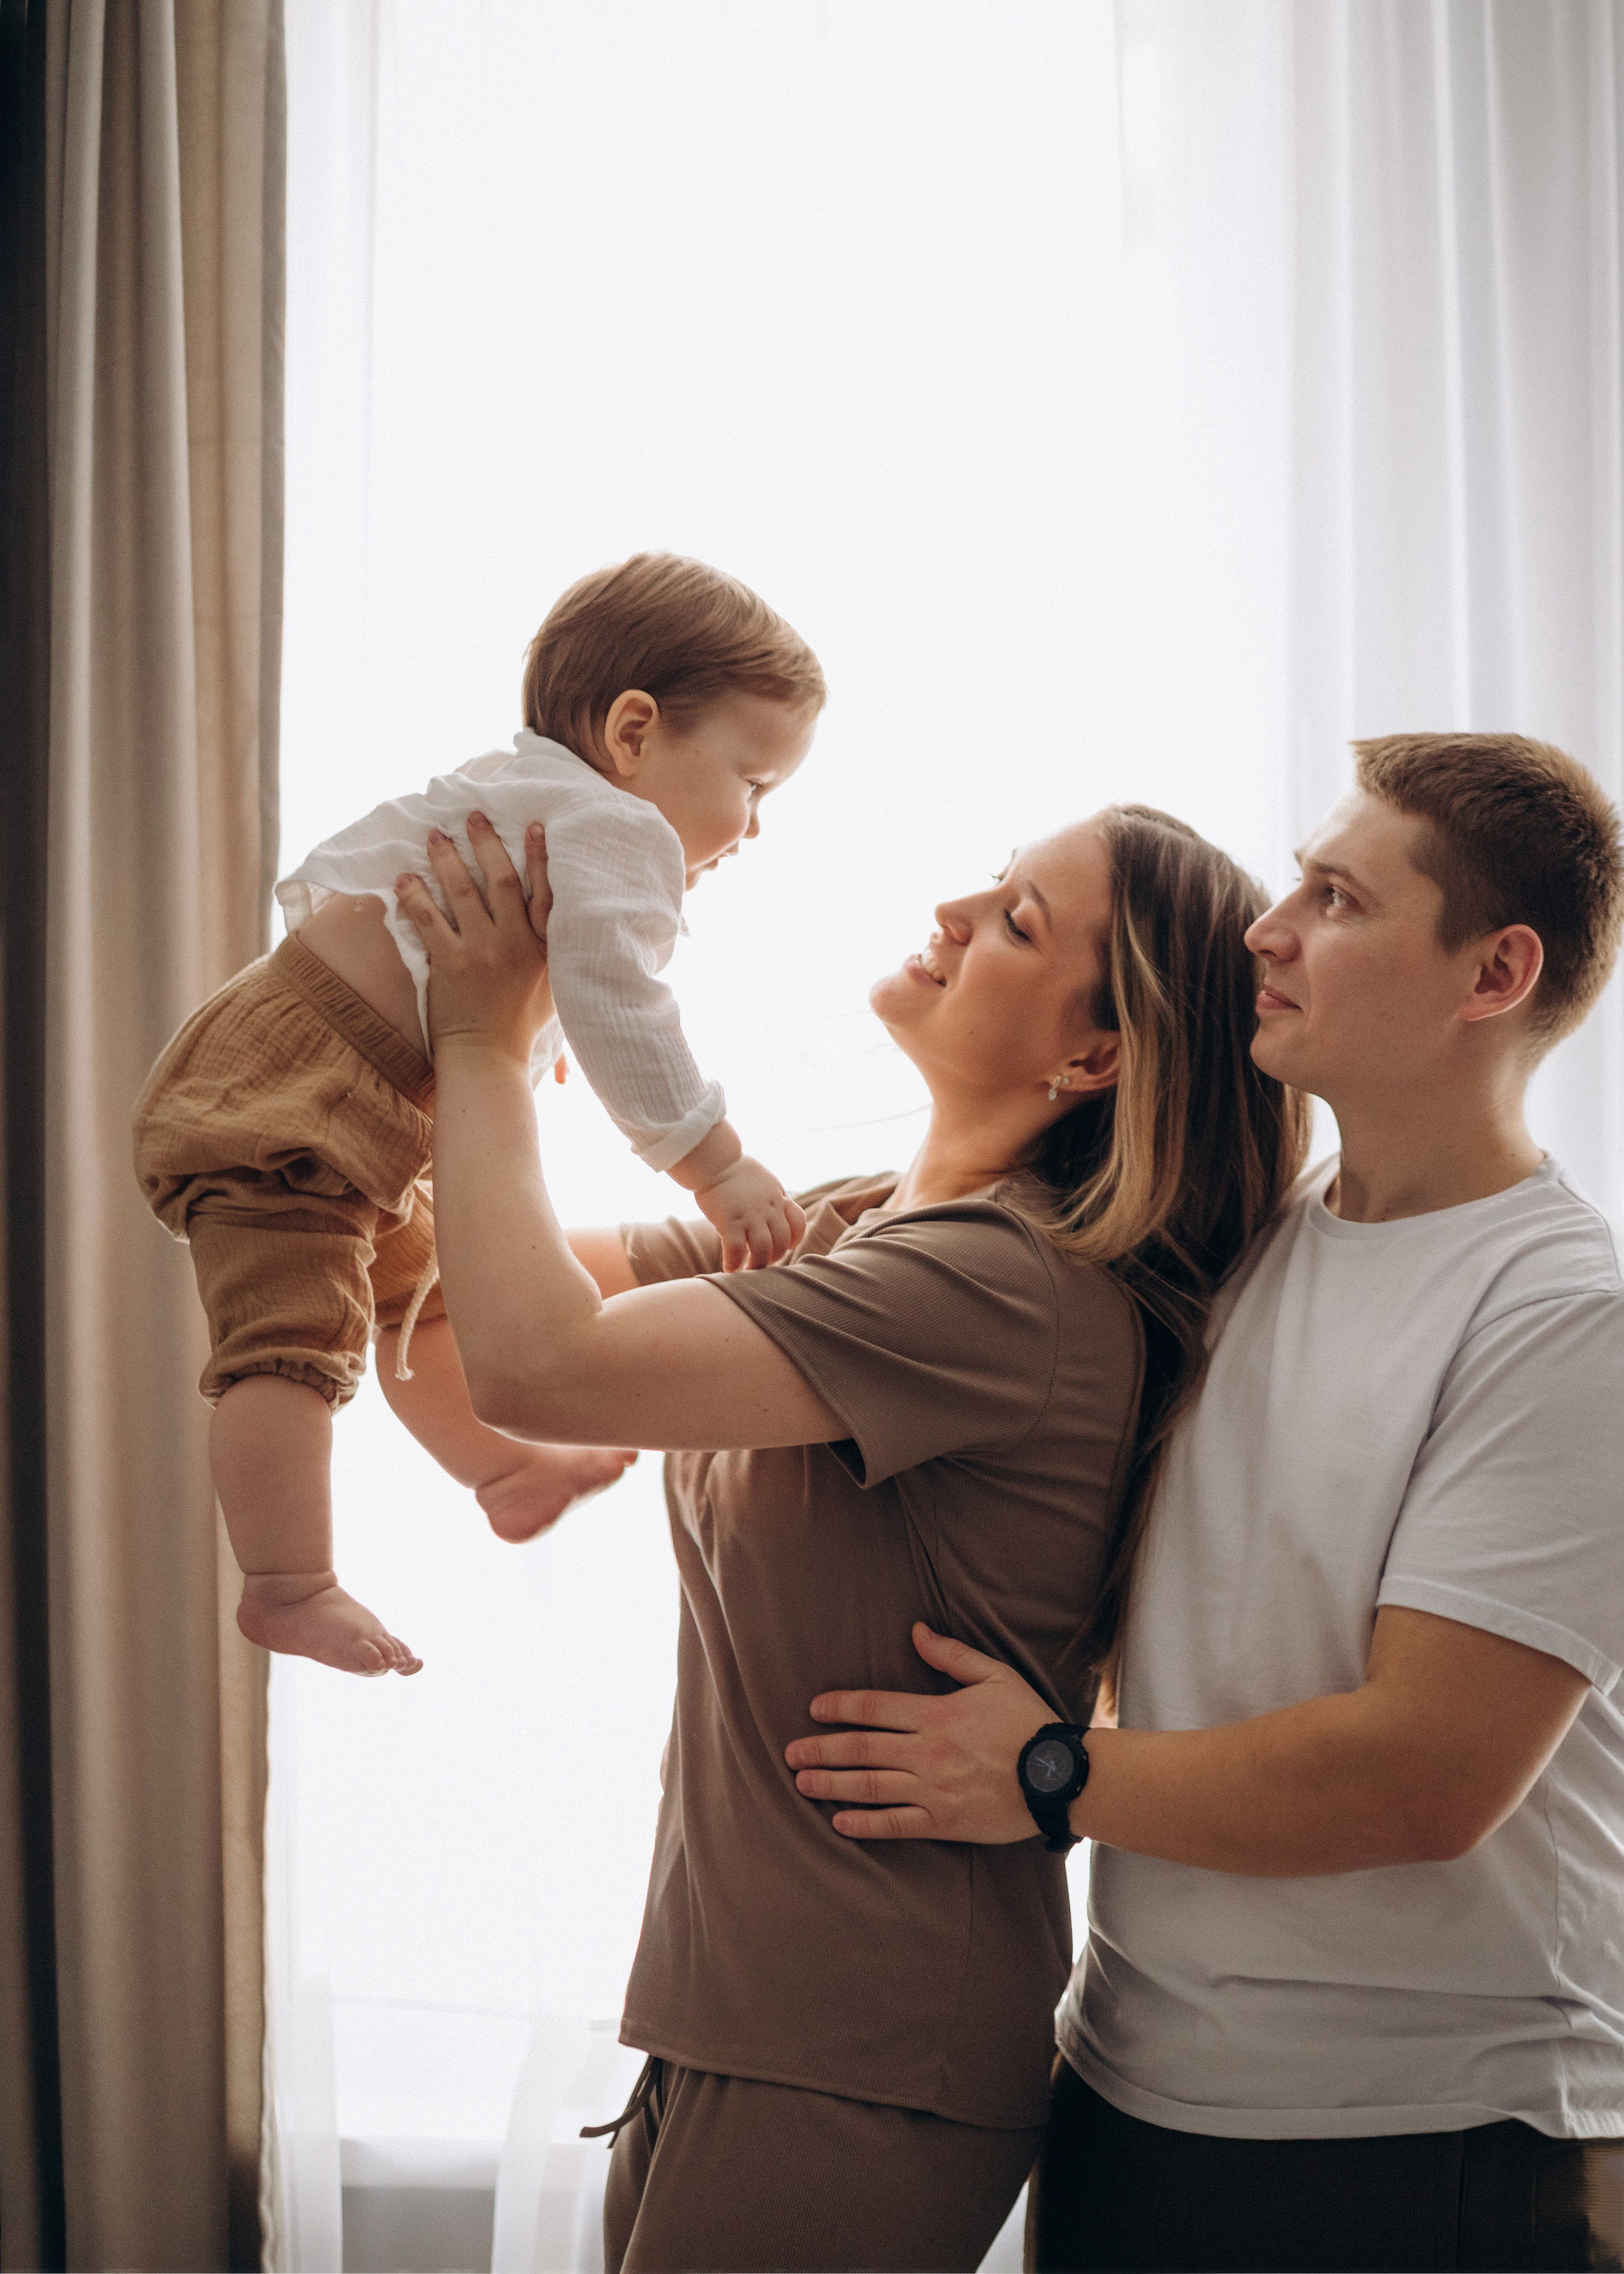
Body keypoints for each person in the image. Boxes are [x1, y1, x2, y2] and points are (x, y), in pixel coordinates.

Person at [391, 798, 1307, 2274]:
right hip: (741, 2013)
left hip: (858, 2044)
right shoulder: (853, 1224)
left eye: (1013, 918)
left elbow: (534, 1363)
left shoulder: (996, 1287)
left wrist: (485, 1040)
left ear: (1094, 1057)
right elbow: (459, 1318)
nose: (951, 907)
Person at [786, 731, 1624, 2273]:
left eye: (1333, 897)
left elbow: (1423, 1774)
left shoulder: (1564, 1312)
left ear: (1491, 973)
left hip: (1431, 2149)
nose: (1264, 929)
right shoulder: (1247, 1244)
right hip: (1126, 2102)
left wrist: (1043, 1773)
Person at [132, 553, 822, 1676]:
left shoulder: (540, 788)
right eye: (756, 785)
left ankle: (502, 1468)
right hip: (301, 1097)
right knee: (292, 1340)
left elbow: (478, 967)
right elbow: (626, 1013)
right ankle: (287, 1580)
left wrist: (523, 1044)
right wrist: (718, 1166)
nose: (753, 829)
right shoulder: (619, 830)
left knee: (422, 1295)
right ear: (635, 732)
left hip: (344, 1084)